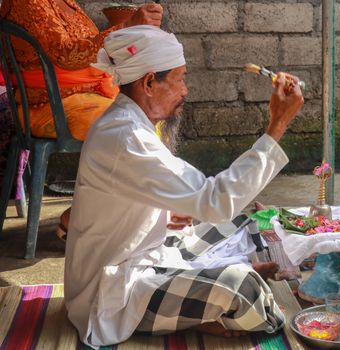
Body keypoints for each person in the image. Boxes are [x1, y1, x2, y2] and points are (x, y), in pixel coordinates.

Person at [64, 25, 304, 347]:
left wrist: (162, 216)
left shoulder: (132, 123)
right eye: (179, 79)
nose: (185, 90)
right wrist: (277, 126)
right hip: (113, 294)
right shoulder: (125, 136)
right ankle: (209, 297)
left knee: (244, 223)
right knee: (245, 288)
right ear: (149, 82)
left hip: (147, 256)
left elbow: (132, 202)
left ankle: (201, 296)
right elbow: (215, 199)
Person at [0, 0, 162, 237]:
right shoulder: (27, 3)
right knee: (129, 125)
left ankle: (110, 216)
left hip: (83, 95)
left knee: (154, 111)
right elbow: (67, 55)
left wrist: (135, 31)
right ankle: (92, 218)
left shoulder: (67, 4)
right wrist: (127, 25)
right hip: (48, 105)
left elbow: (93, 50)